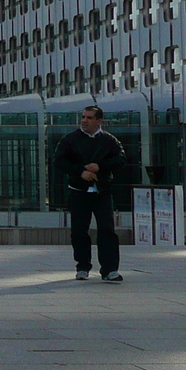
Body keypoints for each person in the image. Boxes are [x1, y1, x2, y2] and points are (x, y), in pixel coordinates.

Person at [53, 105, 127, 282]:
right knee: (79, 231)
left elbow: (121, 158)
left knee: (107, 229)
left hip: (102, 191)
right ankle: (82, 266)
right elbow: (59, 161)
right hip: (79, 191)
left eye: (89, 118)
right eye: (83, 117)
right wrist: (80, 171)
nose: (85, 120)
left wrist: (101, 166)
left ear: (99, 121)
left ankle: (110, 270)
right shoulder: (70, 139)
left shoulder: (109, 140)